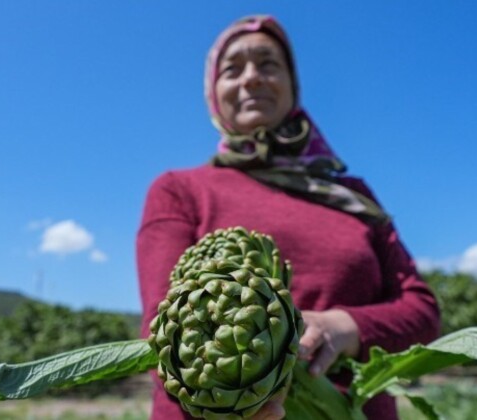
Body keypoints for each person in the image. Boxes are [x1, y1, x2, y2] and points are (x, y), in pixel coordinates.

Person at [137, 15, 440, 420]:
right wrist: (241, 393)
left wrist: (344, 326)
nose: (251, 79)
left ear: (292, 87)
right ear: (213, 91)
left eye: (268, 64)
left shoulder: (353, 195)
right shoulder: (179, 189)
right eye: (232, 69)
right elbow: (163, 333)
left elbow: (421, 310)